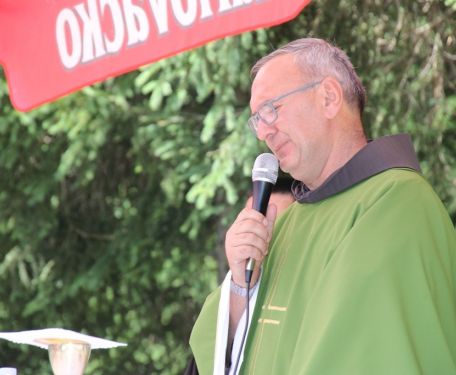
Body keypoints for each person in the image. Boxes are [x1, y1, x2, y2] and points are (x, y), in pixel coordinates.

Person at [189, 38, 456, 374]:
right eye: (258, 119)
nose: (264, 133)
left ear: (329, 98)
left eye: (272, 108)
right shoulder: (287, 223)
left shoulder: (397, 202)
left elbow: (365, 352)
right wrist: (243, 287)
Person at [184, 177, 295, 375]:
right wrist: (239, 283)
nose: (259, 237)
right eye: (252, 225)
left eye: (274, 225)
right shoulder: (230, 295)